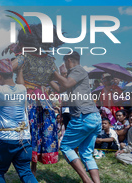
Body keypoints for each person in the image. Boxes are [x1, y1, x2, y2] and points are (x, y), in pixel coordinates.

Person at [4, 23, 63, 174]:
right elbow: (59, 84)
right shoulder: (50, 60)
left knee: (28, 132)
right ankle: (33, 170)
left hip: (27, 99)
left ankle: (27, 169)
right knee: (39, 131)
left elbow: (6, 68)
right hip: (44, 101)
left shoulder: (24, 57)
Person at [0, 58, 37, 183]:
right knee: (26, 172)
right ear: (12, 74)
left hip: (6, 139)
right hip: (25, 138)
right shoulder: (22, 89)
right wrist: (20, 70)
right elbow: (20, 82)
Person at [50, 52, 101, 183]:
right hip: (92, 117)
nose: (64, 67)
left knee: (66, 146)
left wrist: (54, 72)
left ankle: (86, 180)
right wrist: (49, 79)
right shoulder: (74, 74)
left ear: (69, 60)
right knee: (86, 153)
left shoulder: (77, 70)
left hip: (84, 116)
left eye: (64, 63)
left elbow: (65, 84)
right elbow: (61, 89)